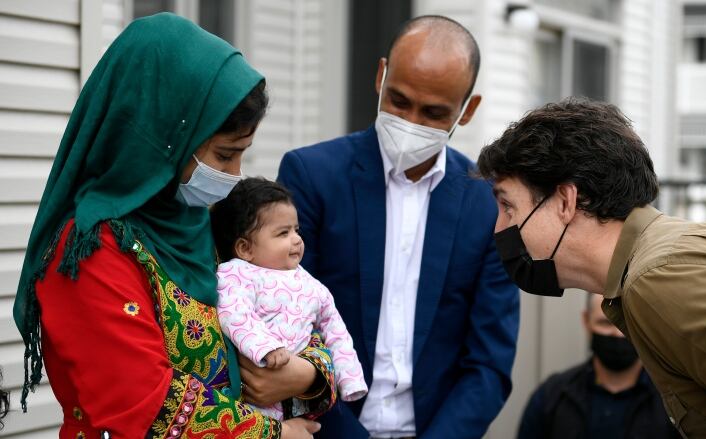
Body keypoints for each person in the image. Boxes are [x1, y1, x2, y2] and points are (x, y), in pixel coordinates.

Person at [12, 13, 333, 438]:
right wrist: (276, 435)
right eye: (223, 155)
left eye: (242, 153)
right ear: (161, 136)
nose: (234, 175)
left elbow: (298, 303)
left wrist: (305, 375)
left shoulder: (209, 222)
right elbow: (140, 404)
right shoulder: (93, 250)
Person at [477, 97, 706, 438]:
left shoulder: (658, 279)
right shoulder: (672, 252)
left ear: (565, 201)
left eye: (507, 205)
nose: (498, 227)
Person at [277, 14, 520, 439]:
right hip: (326, 430)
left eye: (433, 112)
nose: (410, 122)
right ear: (380, 76)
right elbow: (288, 329)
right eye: (399, 101)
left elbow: (488, 364)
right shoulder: (312, 177)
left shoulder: (489, 205)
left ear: (467, 111)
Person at [210, 178, 368, 420]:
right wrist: (265, 347)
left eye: (296, 230)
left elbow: (335, 330)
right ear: (245, 249)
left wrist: (350, 377)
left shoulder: (312, 284)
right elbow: (234, 311)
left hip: (295, 402)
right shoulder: (237, 274)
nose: (296, 239)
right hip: (251, 398)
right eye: (283, 233)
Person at [518, 294, 678, 439]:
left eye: (626, 324)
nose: (617, 333)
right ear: (586, 321)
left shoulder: (674, 404)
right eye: (605, 323)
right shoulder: (551, 396)